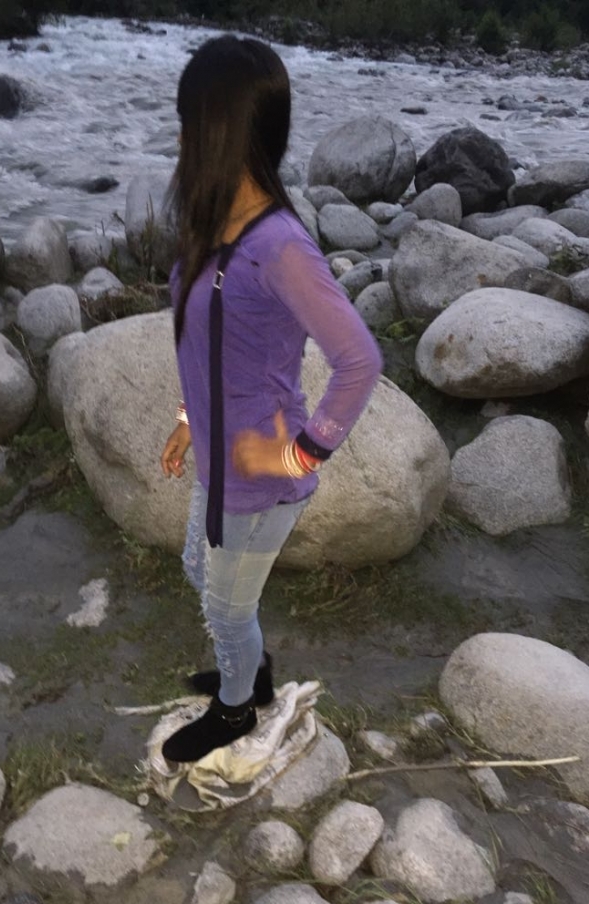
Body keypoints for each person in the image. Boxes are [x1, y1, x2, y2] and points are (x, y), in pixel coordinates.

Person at [159, 34, 382, 764]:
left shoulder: (281, 247)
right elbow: (209, 343)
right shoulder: (213, 223)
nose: (181, 139)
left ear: (222, 133)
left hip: (259, 481)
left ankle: (237, 709)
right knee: (200, 570)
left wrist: (294, 455)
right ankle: (248, 669)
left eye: (190, 123)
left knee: (227, 607)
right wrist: (189, 418)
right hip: (218, 463)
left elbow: (359, 361)